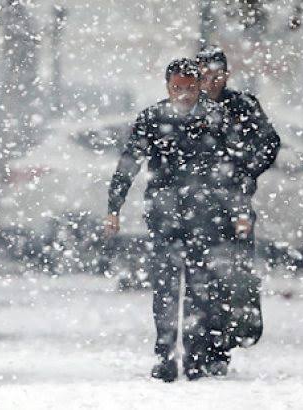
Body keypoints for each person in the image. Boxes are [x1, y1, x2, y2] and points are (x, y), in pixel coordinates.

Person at [105, 58, 241, 381]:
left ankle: (194, 356)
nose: (183, 95)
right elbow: (129, 162)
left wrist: (236, 211)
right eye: (177, 88)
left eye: (190, 89)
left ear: (199, 87)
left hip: (204, 217)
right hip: (165, 216)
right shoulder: (153, 118)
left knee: (198, 287)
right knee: (166, 287)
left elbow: (233, 170)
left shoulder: (215, 119)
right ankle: (166, 355)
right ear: (168, 87)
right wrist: (114, 206)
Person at [195, 46, 281, 369]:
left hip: (235, 205)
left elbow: (269, 142)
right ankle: (205, 343)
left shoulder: (242, 106)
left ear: (225, 75)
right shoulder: (190, 108)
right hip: (199, 207)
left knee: (236, 276)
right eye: (205, 75)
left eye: (216, 75)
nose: (211, 81)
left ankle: (226, 341)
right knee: (202, 276)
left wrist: (245, 169)